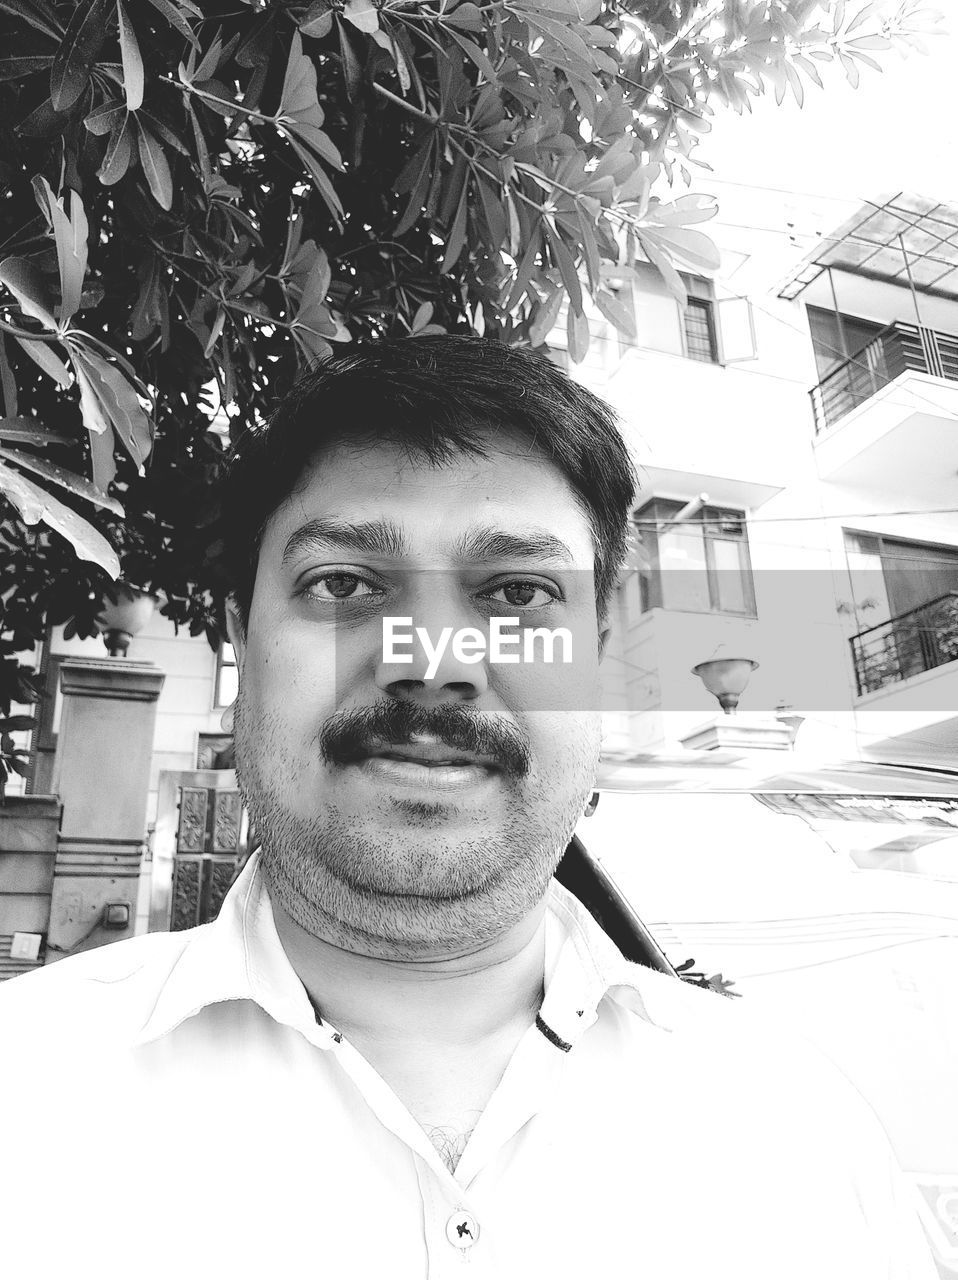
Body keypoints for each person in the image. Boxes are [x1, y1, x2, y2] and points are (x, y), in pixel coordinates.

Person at [0, 336, 936, 1279]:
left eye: (519, 592)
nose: (432, 658)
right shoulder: (25, 1091)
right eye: (344, 585)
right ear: (243, 638)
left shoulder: (802, 1133)